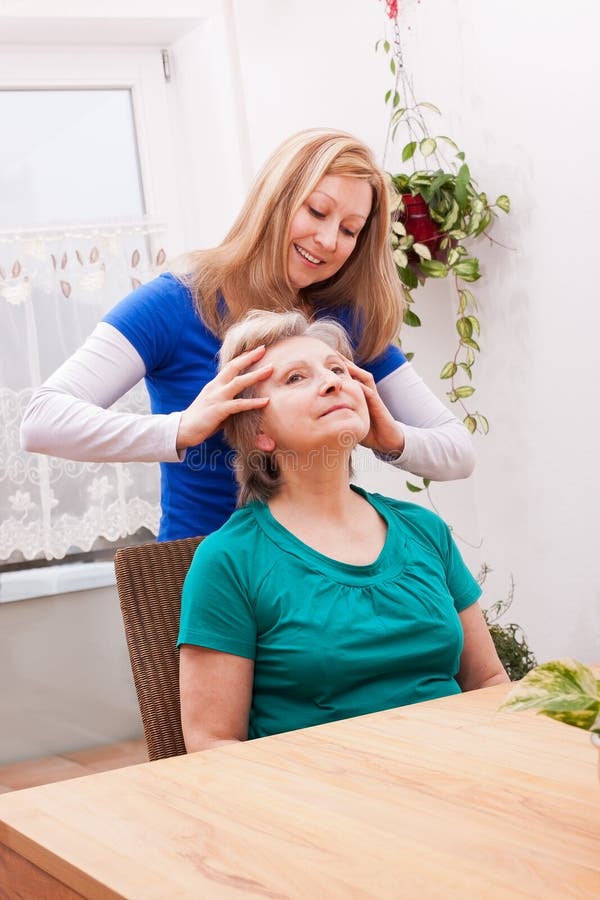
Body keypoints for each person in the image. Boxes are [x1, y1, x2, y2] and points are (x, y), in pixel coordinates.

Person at [20, 128, 475, 542]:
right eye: (317, 211)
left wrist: (390, 438)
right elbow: (42, 420)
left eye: (350, 230)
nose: (328, 240)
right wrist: (181, 429)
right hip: (202, 572)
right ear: (276, 200)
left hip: (318, 568)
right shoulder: (175, 305)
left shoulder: (344, 324)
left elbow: (457, 451)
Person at [178, 310, 508, 752]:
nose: (334, 382)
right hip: (324, 805)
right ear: (260, 433)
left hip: (460, 777)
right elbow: (211, 740)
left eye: (337, 369)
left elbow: (488, 681)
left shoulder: (425, 530)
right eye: (295, 378)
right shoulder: (230, 560)